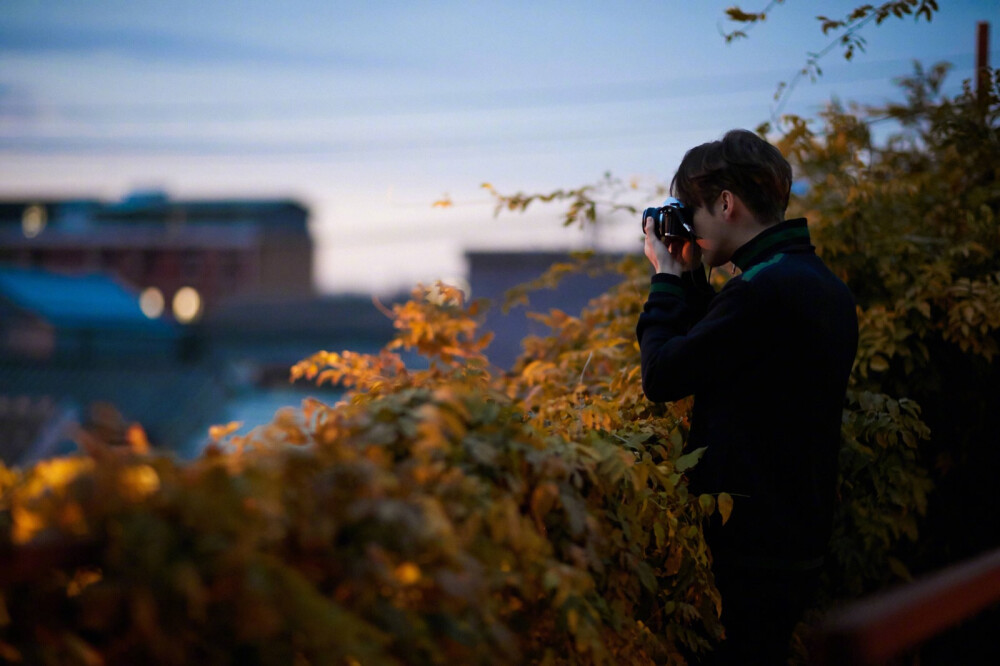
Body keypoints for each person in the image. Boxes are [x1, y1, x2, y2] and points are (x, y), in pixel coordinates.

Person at [636, 129, 859, 665]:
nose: (689, 226)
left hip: (750, 551)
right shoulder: (811, 280)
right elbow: (719, 355)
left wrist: (666, 277)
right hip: (792, 537)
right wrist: (691, 279)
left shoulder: (763, 291)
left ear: (727, 204)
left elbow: (664, 375)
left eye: (693, 211)